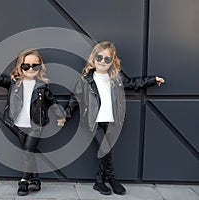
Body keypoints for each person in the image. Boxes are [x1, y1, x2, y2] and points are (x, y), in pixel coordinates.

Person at [65, 41, 165, 195]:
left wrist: (152, 80)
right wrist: (65, 115)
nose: (103, 62)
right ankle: (112, 179)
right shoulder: (86, 78)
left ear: (113, 61)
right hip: (94, 121)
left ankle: (99, 181)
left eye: (107, 59)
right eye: (100, 57)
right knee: (105, 150)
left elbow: (133, 83)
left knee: (106, 151)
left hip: (113, 121)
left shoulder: (116, 76)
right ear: (93, 58)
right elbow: (74, 98)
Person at [0, 49, 66, 196]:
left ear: (39, 68)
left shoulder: (42, 87)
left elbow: (52, 101)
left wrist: (60, 115)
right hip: (19, 125)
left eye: (35, 66)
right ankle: (36, 180)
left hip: (36, 125)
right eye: (26, 66)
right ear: (20, 67)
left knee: (28, 151)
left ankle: (24, 180)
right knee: (29, 152)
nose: (30, 69)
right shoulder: (14, 82)